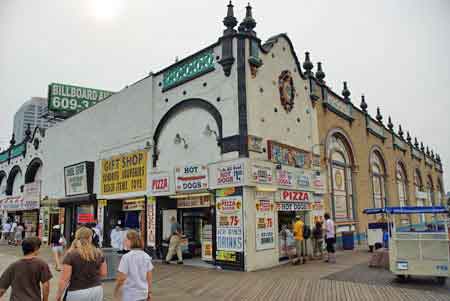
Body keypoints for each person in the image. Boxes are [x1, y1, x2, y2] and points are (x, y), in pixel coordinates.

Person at [56, 227, 107, 301]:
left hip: (77, 291)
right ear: (90, 238)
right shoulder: (99, 253)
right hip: (97, 290)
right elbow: (103, 273)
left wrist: (58, 295)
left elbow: (64, 279)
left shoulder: (71, 255)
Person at [0, 237, 52, 301]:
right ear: (36, 248)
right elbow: (46, 285)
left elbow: (2, 289)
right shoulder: (41, 264)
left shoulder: (13, 266)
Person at [114, 230, 153, 301]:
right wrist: (149, 292)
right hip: (143, 293)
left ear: (131, 241)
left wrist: (116, 289)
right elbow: (149, 277)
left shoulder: (126, 257)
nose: (124, 242)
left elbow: (122, 277)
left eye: (126, 240)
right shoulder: (146, 256)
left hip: (130, 295)